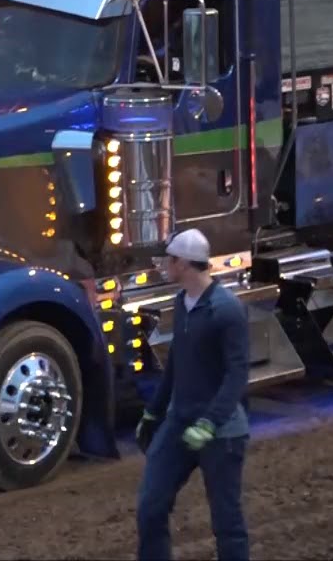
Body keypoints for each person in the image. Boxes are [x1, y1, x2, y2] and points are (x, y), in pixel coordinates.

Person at [135, 229, 250, 561]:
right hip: (180, 421)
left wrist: (210, 423)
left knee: (226, 520)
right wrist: (153, 411)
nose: (165, 265)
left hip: (222, 433)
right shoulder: (182, 303)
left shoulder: (226, 311)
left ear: (184, 264)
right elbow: (176, 362)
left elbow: (237, 375)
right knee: (150, 505)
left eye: (170, 260)